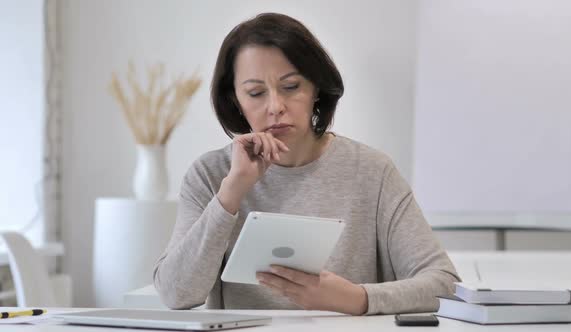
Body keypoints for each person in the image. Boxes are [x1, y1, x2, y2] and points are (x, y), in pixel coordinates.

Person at [153, 12, 459, 316]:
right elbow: (175, 294)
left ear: (316, 89)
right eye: (256, 93)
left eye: (291, 86)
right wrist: (231, 192)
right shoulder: (210, 175)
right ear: (235, 100)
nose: (275, 107)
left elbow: (444, 284)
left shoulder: (372, 171)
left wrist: (356, 298)